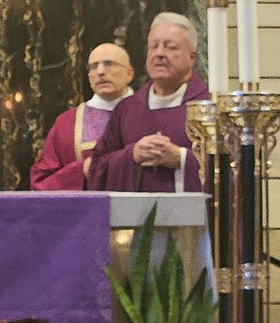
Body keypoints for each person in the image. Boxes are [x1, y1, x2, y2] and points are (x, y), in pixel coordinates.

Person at [88, 12, 210, 192]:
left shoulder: (209, 108)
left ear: (192, 57)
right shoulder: (127, 109)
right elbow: (98, 167)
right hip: (134, 219)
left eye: (171, 47)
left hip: (193, 219)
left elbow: (233, 168)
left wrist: (181, 159)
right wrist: (132, 155)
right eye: (154, 46)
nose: (160, 53)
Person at [30, 43, 135, 190]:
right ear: (89, 76)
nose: (100, 71)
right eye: (93, 66)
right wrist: (81, 171)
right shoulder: (67, 124)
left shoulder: (149, 114)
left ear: (129, 73)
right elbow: (41, 184)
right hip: (88, 211)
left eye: (109, 64)